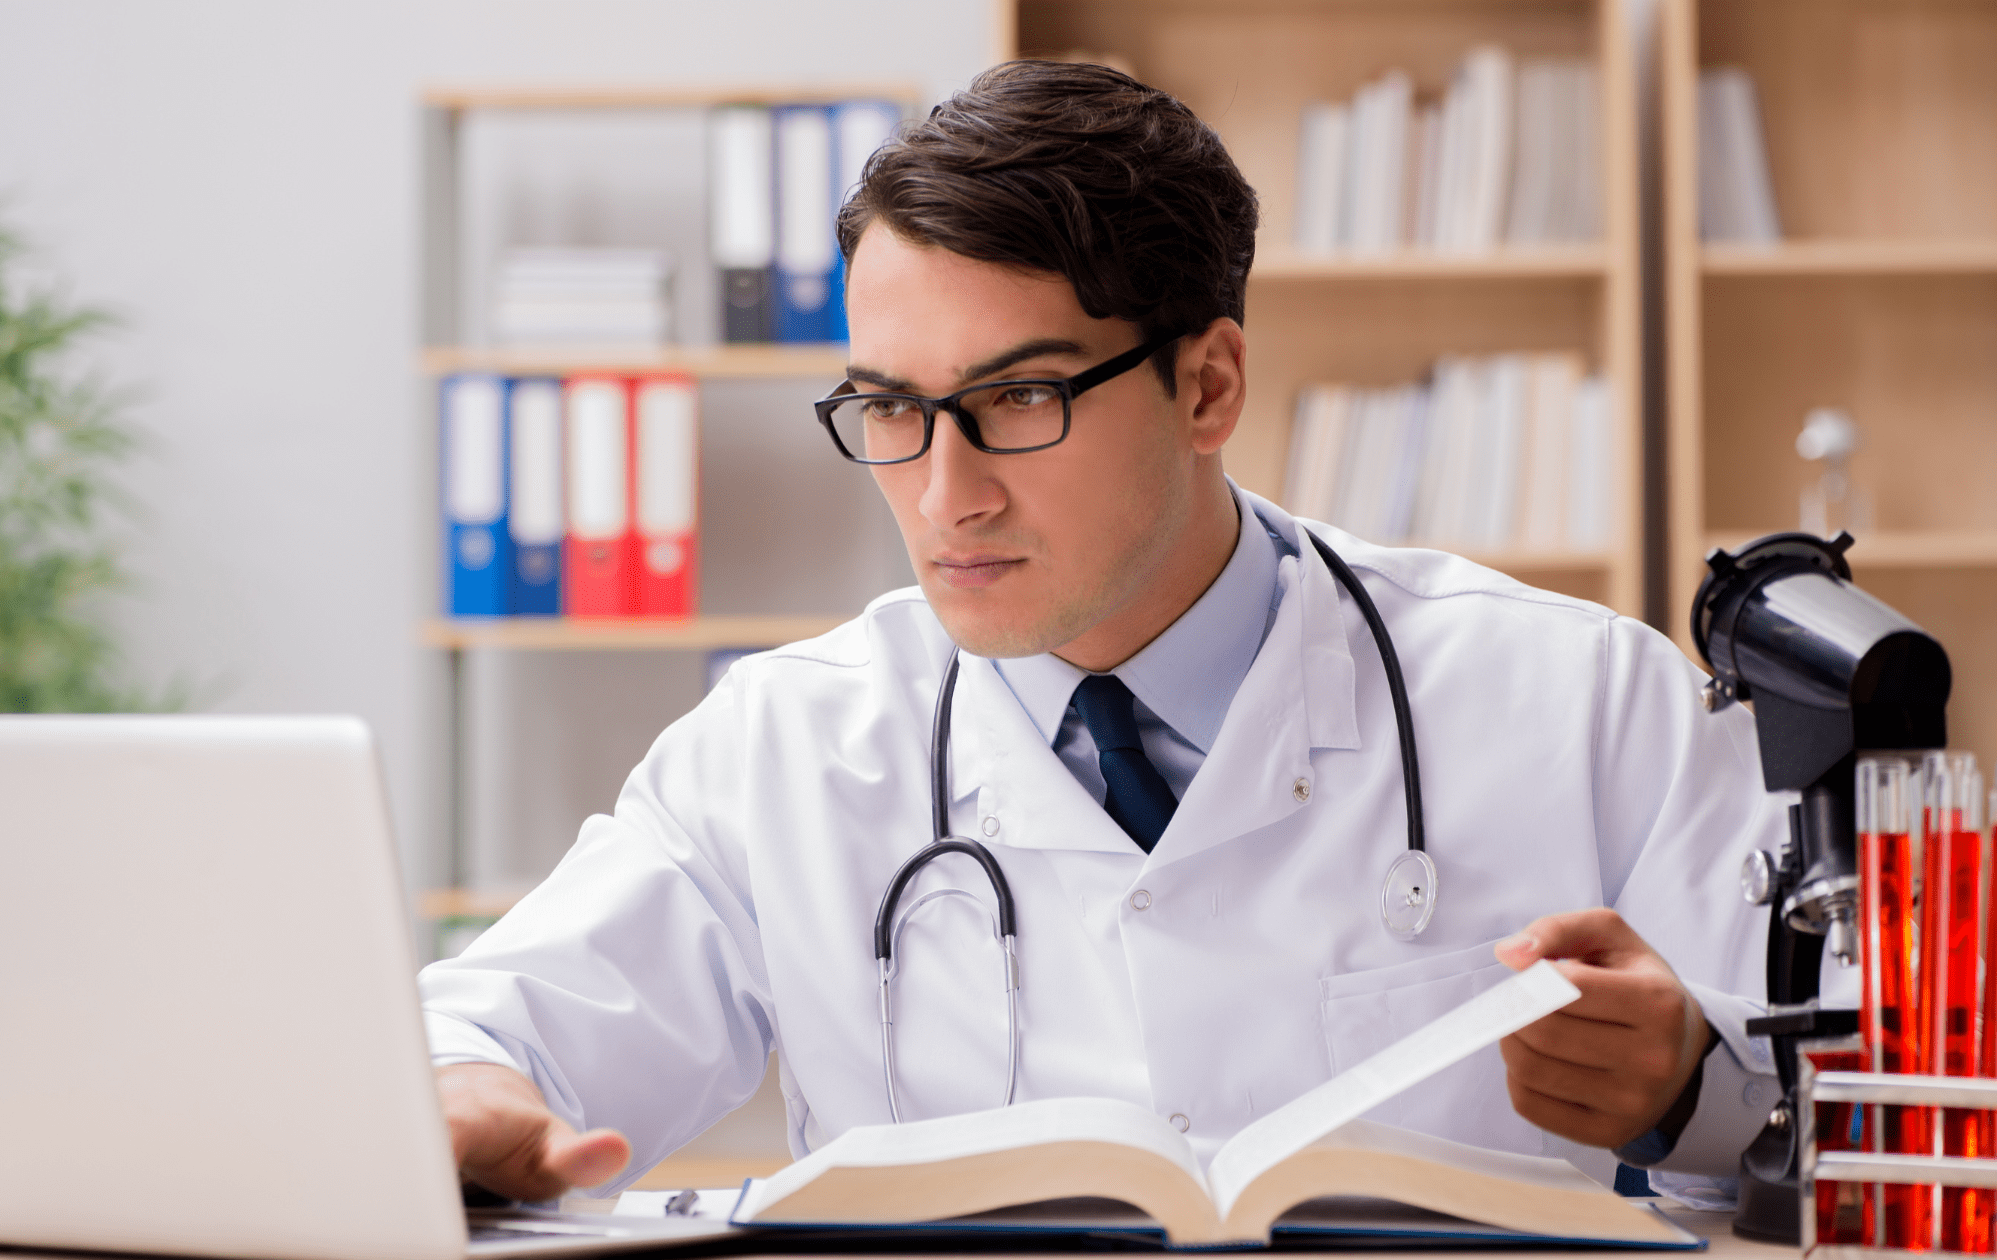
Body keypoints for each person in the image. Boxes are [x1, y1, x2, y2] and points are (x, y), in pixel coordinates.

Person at [420, 60, 1784, 1205]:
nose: (946, 493)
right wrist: (466, 1089)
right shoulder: (785, 748)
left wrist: (1684, 1087)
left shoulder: (1583, 701)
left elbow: (1855, 1115)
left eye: (1017, 400)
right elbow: (490, 1031)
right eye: (888, 408)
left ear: (1209, 382)